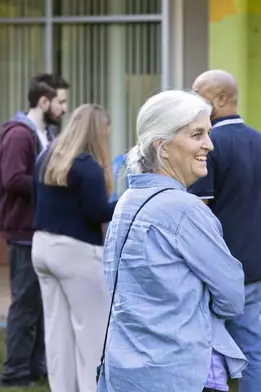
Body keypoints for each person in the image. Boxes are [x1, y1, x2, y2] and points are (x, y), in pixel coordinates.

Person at [97, 90, 247, 392]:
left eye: (207, 132)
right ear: (162, 148)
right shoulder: (186, 209)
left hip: (125, 371)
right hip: (181, 372)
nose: (209, 144)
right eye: (197, 134)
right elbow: (233, 298)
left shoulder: (127, 201)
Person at [190, 70, 261, 392]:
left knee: (206, 347)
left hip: (218, 266)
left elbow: (200, 210)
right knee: (251, 345)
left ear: (222, 99)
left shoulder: (209, 144)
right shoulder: (260, 141)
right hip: (253, 261)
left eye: (199, 94)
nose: (193, 101)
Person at [31, 104, 116, 392]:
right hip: (77, 253)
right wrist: (130, 201)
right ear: (97, 131)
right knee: (92, 334)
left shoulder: (46, 158)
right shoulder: (87, 166)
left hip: (42, 247)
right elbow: (97, 212)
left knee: (58, 334)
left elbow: (35, 200)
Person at [0, 73, 69, 387]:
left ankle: (37, 367)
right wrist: (52, 187)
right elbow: (12, 179)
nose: (65, 108)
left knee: (43, 307)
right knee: (25, 307)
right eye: (61, 101)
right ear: (44, 101)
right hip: (23, 233)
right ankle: (15, 372)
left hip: (42, 231)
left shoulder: (50, 134)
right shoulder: (18, 135)